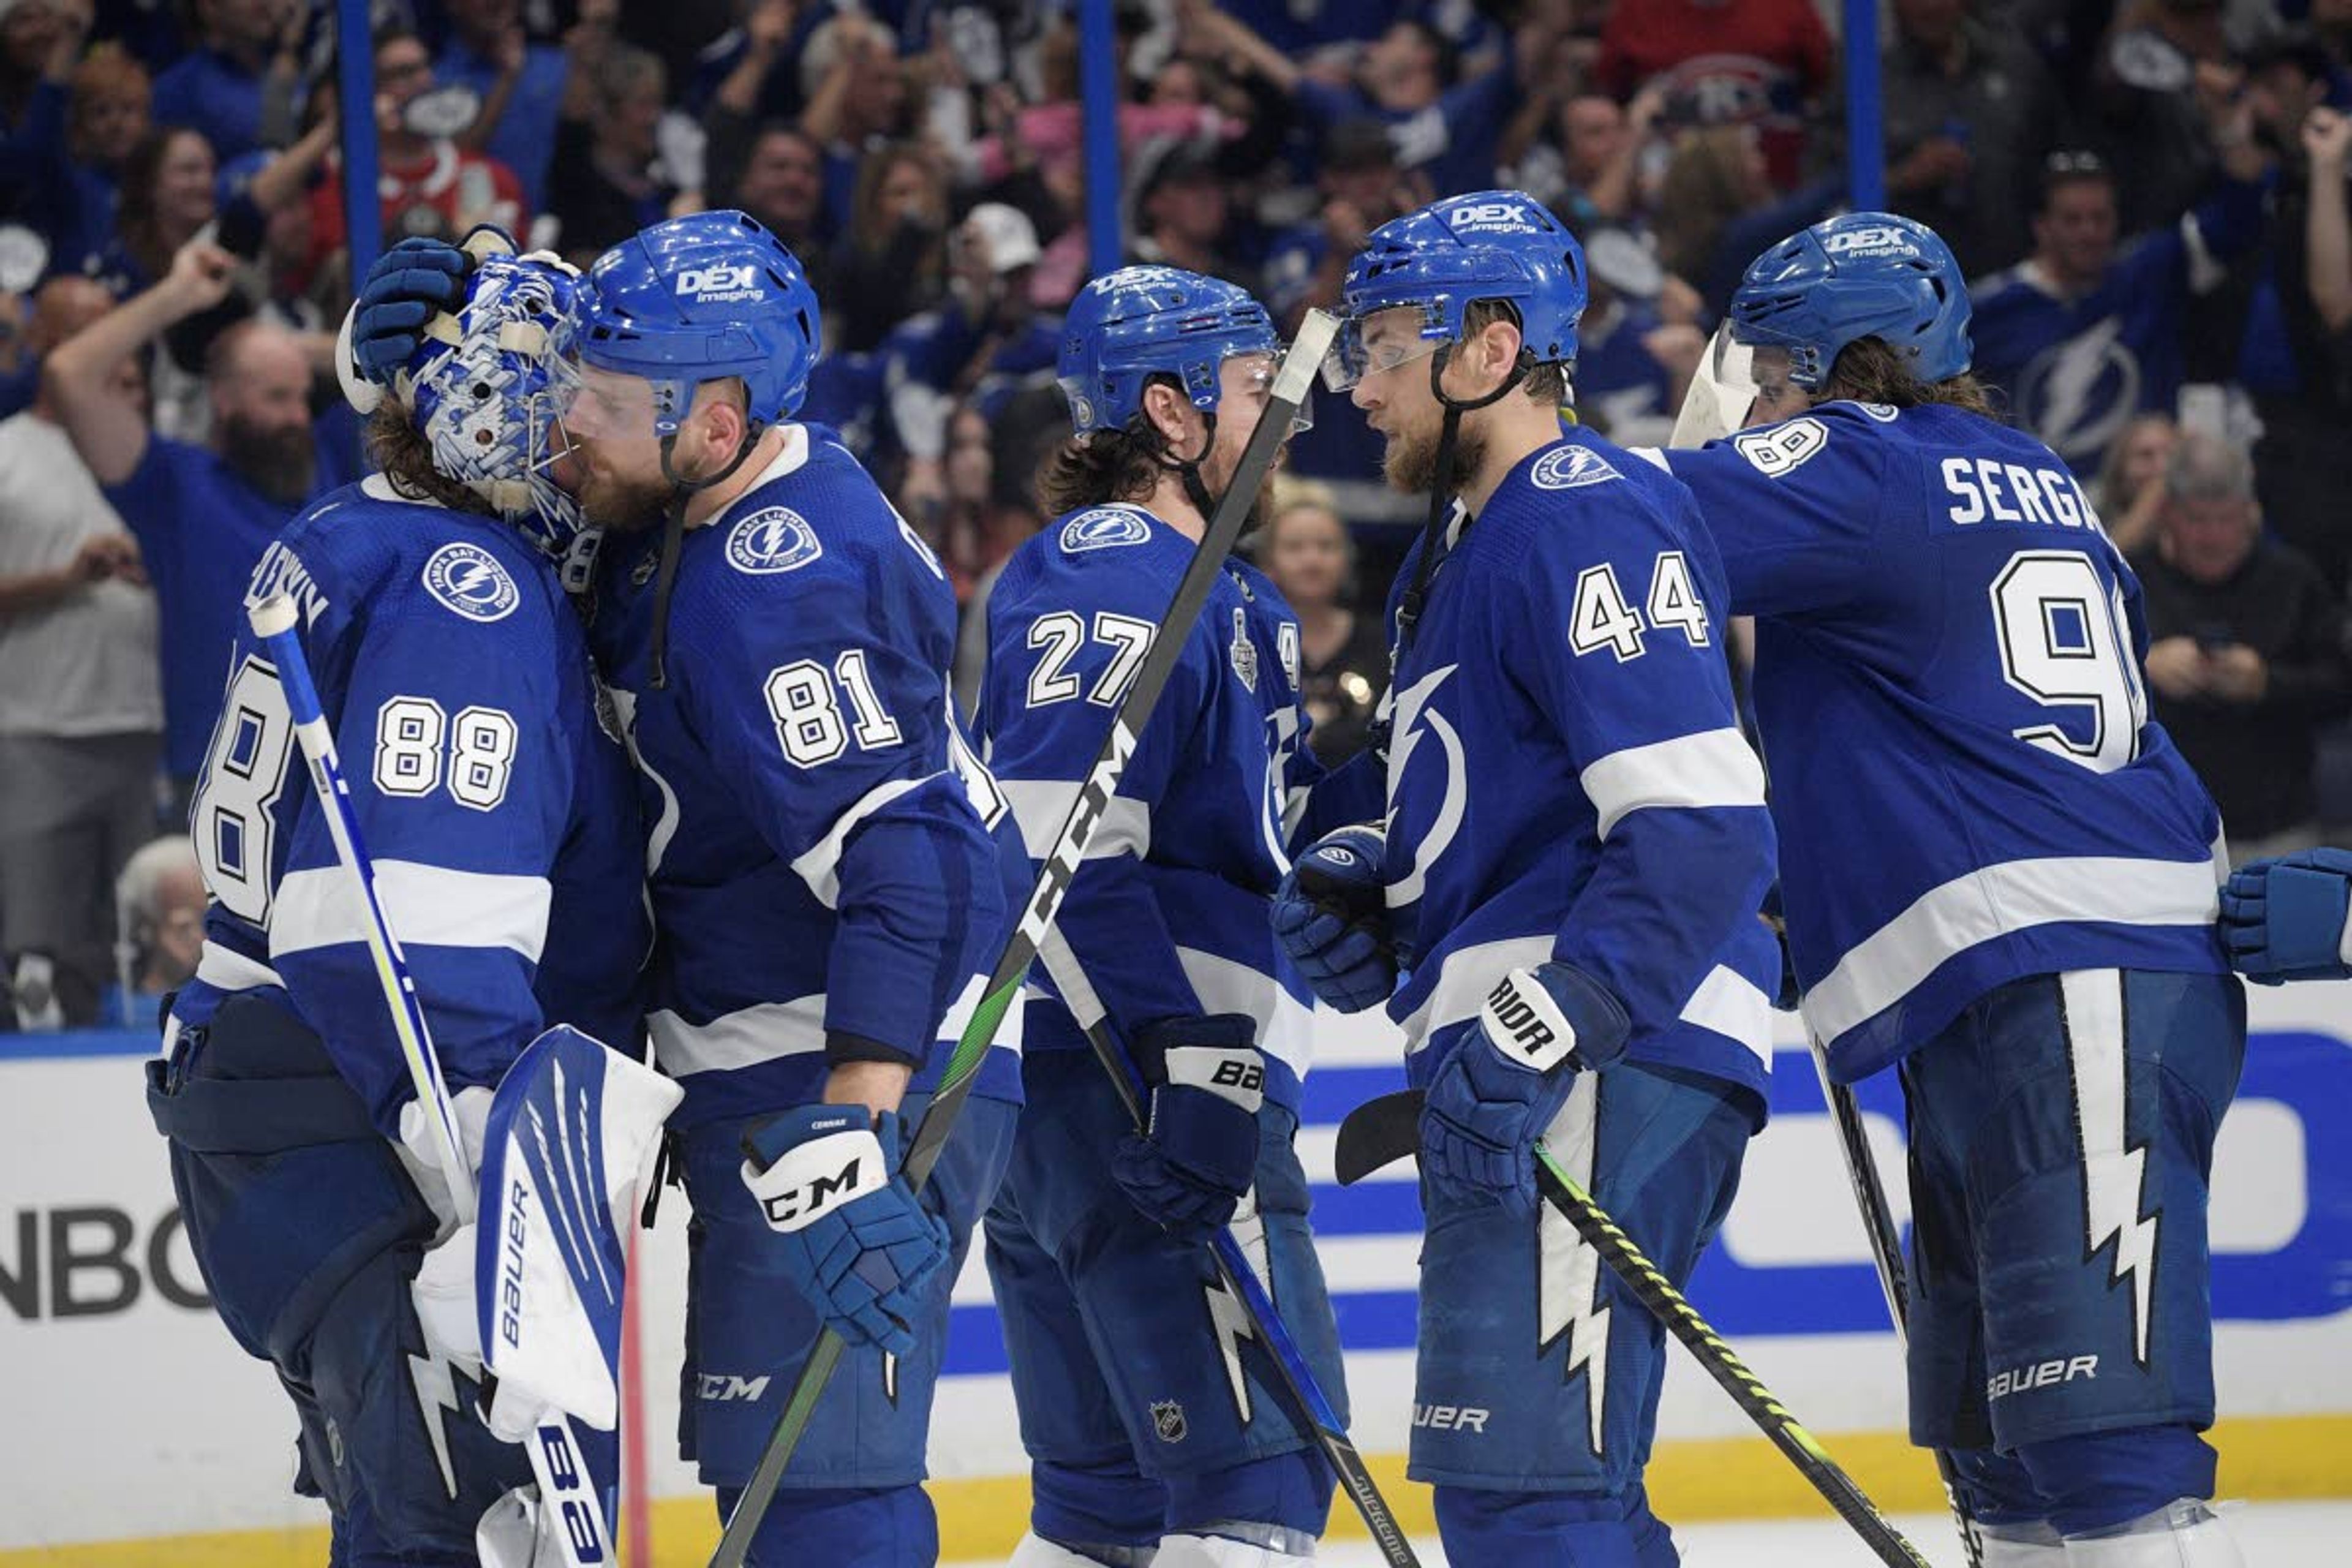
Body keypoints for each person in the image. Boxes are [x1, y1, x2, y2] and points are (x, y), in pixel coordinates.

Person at [421, 209, 1024, 1567]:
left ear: (716, 418)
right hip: (773, 1048)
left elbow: (910, 848)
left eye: (610, 404)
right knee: (773, 1481)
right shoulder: (695, 499)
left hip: (837, 1058)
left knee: (820, 1494)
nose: (573, 426)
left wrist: (855, 1116)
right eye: (577, 386)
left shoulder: (778, 581)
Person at [1645, 210, 2248, 1563]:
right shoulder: (2028, 468)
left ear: (1835, 366)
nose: (1758, 399)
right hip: (2027, 972)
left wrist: (1615, 436)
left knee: (2102, 1458)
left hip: (2067, 971)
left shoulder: (1860, 458)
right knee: (2019, 1468)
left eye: (1771, 372)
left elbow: (1624, 534)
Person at [1275, 192, 1781, 1565]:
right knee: (1562, 1494)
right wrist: (1366, 877)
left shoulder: (1579, 510)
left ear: (1488, 350)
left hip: (1603, 1045)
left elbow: (1703, 818)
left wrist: (1559, 1011)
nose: (1358, 387)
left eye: (1385, 346)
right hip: (1548, 1042)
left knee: (1529, 1496)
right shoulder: (1453, 552)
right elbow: (1463, 802)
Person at [147, 239, 650, 1564]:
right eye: (577, 395)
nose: (594, 427)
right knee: (476, 1526)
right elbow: (400, 928)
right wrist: (495, 1160)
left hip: (274, 1090)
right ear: (502, 411)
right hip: (380, 1108)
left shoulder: (346, 530)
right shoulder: (464, 585)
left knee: (404, 1516)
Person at [974, 264, 1347, 1568]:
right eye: (1257, 392)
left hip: (1091, 1084)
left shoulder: (1221, 589)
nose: (1288, 421)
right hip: (1139, 1079)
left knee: (1103, 1511)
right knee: (1263, 1489)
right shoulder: (1122, 562)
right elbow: (1050, 822)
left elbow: (1247, 828)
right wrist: (1179, 1051)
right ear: (1171, 415)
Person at [43, 236, 339, 810]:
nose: (296, 417)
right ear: (224, 400)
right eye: (276, 397)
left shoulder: (325, 462)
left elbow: (405, 363)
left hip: (331, 775)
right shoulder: (176, 487)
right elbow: (69, 374)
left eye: (303, 397)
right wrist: (178, 296)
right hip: (219, 780)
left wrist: (282, 347)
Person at [0, 273, 157, 1030]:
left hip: (142, 728)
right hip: (39, 730)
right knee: (38, 945)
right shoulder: (8, 453)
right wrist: (63, 580)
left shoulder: (141, 455)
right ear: (42, 345)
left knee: (134, 941)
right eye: (84, 328)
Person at [2133, 431, 2352, 860]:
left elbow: (2342, 687)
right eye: (2197, 520)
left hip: (2277, 827)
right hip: (2162, 830)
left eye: (2227, 519)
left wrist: (2266, 683)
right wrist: (2144, 667)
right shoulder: (2132, 582)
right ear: (2167, 514)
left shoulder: (2293, 579)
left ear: (2252, 514)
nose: (2212, 537)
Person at [1256, 478, 1386, 766]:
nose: (1312, 561)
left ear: (1347, 559)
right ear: (1267, 563)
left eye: (1326, 547)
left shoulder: (1383, 642)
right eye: (1294, 547)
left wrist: (1317, 737)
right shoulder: (1252, 642)